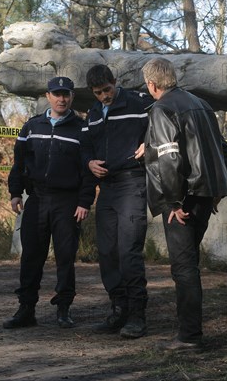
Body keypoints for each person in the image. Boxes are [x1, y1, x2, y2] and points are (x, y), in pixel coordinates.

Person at [140, 58, 227, 351]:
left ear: (152, 85)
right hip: (205, 195)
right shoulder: (202, 105)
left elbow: (170, 158)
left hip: (183, 198)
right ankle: (189, 330)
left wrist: (173, 201)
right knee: (189, 261)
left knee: (184, 267)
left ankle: (189, 336)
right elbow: (224, 149)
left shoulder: (162, 108)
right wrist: (216, 189)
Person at [3, 76, 95, 329]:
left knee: (66, 257)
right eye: (57, 94)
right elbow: (19, 163)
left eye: (66, 94)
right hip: (37, 200)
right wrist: (15, 193)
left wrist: (85, 201)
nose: (61, 98)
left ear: (72, 97)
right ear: (48, 96)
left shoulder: (82, 129)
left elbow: (89, 170)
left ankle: (64, 309)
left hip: (68, 202)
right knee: (31, 257)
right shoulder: (32, 127)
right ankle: (26, 309)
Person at [82, 64, 154, 339]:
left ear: (115, 82)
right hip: (107, 188)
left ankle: (138, 315)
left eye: (107, 89)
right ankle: (119, 309)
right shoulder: (93, 113)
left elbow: (167, 116)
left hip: (133, 183)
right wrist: (88, 162)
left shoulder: (138, 103)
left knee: (129, 251)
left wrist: (151, 141)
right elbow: (86, 144)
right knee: (107, 252)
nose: (104, 96)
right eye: (98, 92)